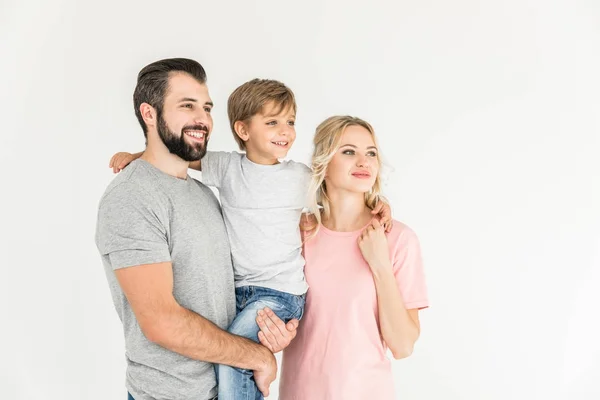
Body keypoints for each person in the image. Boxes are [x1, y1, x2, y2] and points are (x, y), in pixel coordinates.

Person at [109, 79, 393, 400]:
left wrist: (378, 204)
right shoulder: (227, 167)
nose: (284, 131)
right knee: (233, 357)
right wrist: (136, 155)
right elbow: (174, 157)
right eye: (272, 122)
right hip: (238, 294)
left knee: (236, 358)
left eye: (289, 122)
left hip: (280, 293)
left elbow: (343, 192)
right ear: (243, 130)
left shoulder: (299, 177)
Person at [95, 58, 295, 400]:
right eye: (187, 106)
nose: (202, 118)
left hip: (229, 386)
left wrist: (269, 331)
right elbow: (162, 322)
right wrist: (256, 356)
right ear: (149, 114)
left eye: (206, 107)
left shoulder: (203, 193)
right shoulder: (133, 197)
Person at [256, 116, 430, 400]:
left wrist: (380, 265)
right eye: (349, 151)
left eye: (371, 153)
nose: (364, 162)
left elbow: (403, 346)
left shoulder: (398, 239)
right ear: (323, 162)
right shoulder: (295, 233)